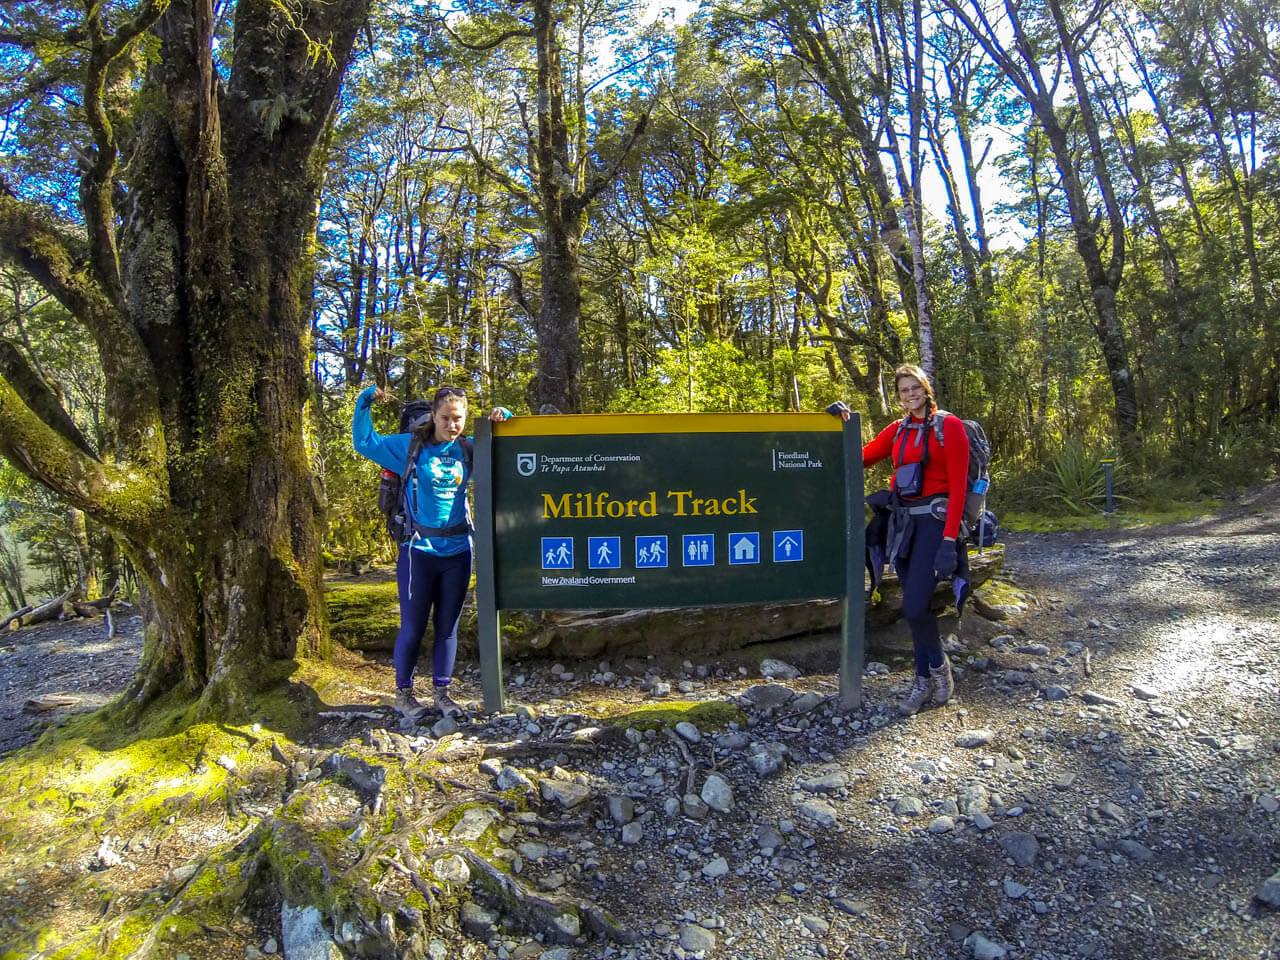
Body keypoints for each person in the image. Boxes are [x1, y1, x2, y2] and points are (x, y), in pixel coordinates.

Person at [352, 384, 511, 719]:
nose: (452, 424)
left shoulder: (469, 449)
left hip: (457, 552)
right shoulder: (409, 447)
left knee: (447, 627)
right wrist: (365, 400)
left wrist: (505, 417)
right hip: (418, 551)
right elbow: (364, 442)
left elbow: (508, 453)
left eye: (458, 418)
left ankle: (442, 693)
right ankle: (404, 695)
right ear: (434, 416)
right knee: (413, 627)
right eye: (445, 418)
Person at [858, 364, 969, 715]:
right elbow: (858, 457)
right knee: (915, 605)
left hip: (936, 525)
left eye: (914, 387)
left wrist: (950, 539)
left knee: (914, 605)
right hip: (903, 527)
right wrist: (841, 423)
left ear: (926, 389)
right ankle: (922, 684)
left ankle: (936, 670)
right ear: (899, 396)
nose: (910, 394)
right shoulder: (897, 430)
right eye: (904, 390)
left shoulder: (949, 427)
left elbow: (960, 486)